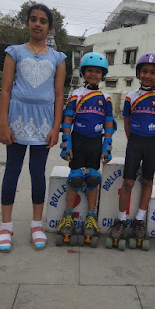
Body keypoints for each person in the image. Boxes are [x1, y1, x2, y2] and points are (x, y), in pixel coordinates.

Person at [0, 4, 66, 252]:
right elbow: (5, 90)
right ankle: (6, 226)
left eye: (43, 21)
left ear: (50, 27)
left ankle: (37, 224)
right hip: (17, 119)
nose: (38, 24)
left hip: (44, 122)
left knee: (37, 172)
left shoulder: (58, 58)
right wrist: (4, 124)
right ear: (27, 23)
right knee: (12, 171)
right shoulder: (14, 52)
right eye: (33, 19)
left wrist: (56, 128)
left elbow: (59, 95)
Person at [109, 53, 155, 244]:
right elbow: (126, 123)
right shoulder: (130, 97)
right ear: (138, 73)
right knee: (127, 183)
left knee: (148, 182)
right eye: (144, 71)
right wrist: (132, 141)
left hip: (151, 144)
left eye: (152, 73)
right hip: (134, 143)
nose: (148, 75)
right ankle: (121, 220)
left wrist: (154, 142)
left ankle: (140, 220)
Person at [58, 52, 116, 247]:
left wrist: (107, 146)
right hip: (78, 140)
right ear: (83, 72)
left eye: (97, 71)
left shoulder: (106, 97)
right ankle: (67, 216)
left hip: (95, 143)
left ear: (103, 74)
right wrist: (66, 142)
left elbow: (109, 123)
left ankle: (91, 216)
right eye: (89, 70)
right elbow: (67, 119)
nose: (93, 74)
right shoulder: (76, 94)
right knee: (74, 178)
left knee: (93, 178)